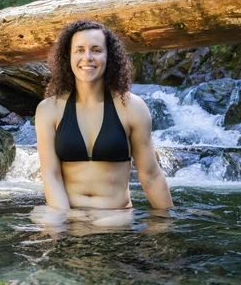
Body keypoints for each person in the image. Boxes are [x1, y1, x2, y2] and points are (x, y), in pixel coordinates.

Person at [34, 20, 173, 226]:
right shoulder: (49, 109)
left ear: (110, 56)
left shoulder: (132, 107)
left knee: (107, 226)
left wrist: (166, 225)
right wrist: (62, 225)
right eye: (79, 50)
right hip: (66, 214)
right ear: (68, 56)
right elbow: (51, 175)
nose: (87, 58)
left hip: (115, 217)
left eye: (96, 50)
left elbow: (151, 175)